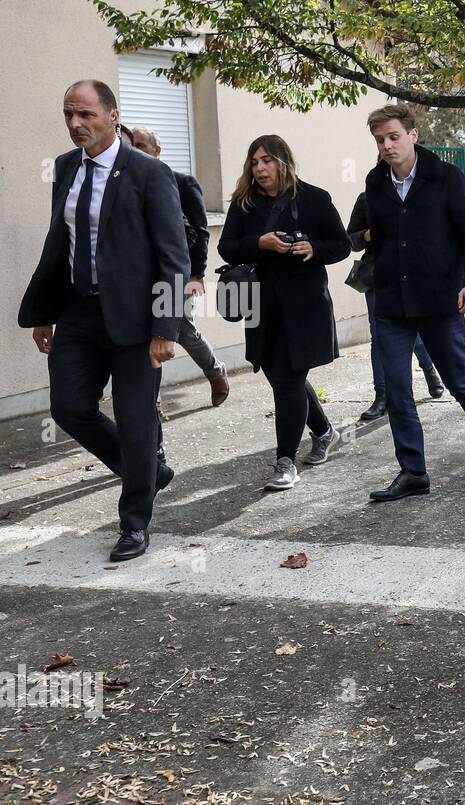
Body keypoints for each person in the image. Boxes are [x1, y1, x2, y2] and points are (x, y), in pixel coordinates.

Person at [18, 80, 189, 561]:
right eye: (69, 115)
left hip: (137, 323)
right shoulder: (66, 168)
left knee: (137, 425)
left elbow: (173, 256)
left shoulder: (149, 172)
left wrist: (165, 326)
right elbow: (60, 246)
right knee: (69, 408)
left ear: (114, 117)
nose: (76, 124)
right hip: (78, 313)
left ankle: (134, 522)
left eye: (85, 115)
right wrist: (44, 313)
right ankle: (147, 472)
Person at [362, 105, 465, 503]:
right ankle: (413, 471)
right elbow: (383, 238)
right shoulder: (375, 181)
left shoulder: (446, 177)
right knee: (398, 388)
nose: (387, 146)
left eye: (393, 137)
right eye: (379, 140)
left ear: (413, 135)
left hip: (441, 299)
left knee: (457, 378)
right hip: (391, 303)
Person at [216, 135, 350, 491]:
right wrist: (258, 243)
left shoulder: (315, 199)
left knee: (289, 381)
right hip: (262, 308)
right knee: (280, 378)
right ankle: (324, 431)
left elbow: (342, 244)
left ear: (283, 162)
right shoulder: (244, 204)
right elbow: (226, 247)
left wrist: (313, 248)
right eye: (255, 162)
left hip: (305, 308)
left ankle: (285, 461)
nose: (260, 168)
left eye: (267, 161)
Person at [127, 125, 230, 408]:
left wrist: (197, 274)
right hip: (139, 277)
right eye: (130, 145)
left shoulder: (182, 183)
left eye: (140, 146)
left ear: (156, 151)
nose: (133, 151)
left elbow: (200, 230)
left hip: (176, 273)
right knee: (143, 334)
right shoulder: (125, 183)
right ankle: (152, 403)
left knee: (182, 330)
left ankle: (215, 371)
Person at [345, 189, 445, 423]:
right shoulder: (367, 198)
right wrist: (368, 236)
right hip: (378, 277)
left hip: (413, 275)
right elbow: (351, 239)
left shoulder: (418, 196)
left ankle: (429, 368)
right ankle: (382, 396)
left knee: (413, 329)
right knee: (379, 335)